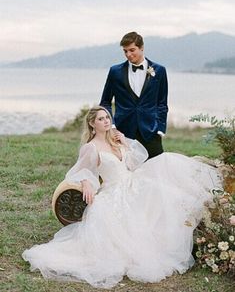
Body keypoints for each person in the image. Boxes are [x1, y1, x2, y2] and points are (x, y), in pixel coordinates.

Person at [22, 106, 222, 289]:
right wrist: (86, 183)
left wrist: (125, 143)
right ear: (92, 123)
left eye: (107, 117)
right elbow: (79, 170)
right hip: (115, 191)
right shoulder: (90, 148)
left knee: (167, 168)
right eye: (101, 119)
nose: (106, 121)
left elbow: (133, 165)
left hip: (134, 181)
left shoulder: (115, 138)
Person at [100, 31, 168, 159]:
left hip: (150, 131)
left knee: (156, 169)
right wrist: (112, 126)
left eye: (132, 50)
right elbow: (105, 102)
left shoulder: (159, 71)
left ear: (142, 48)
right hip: (122, 131)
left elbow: (162, 103)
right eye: (125, 51)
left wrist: (160, 129)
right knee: (126, 169)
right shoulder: (115, 72)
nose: (128, 55)